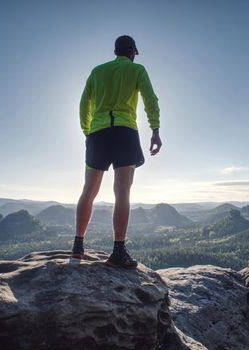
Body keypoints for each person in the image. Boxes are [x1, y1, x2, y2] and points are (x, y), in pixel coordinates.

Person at [70, 35, 162, 268]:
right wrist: (155, 130)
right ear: (133, 52)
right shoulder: (137, 70)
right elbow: (151, 100)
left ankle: (77, 247)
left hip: (98, 133)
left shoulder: (97, 71)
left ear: (114, 51)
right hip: (124, 132)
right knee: (122, 191)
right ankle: (118, 252)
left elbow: (84, 103)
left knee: (89, 190)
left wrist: (87, 131)